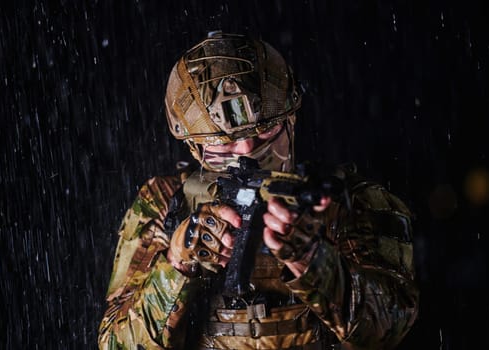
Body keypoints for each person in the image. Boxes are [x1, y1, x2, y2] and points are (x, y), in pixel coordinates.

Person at [98, 32, 419, 350]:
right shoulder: (165, 203)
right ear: (196, 148)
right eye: (224, 143)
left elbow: (388, 330)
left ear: (290, 119)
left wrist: (314, 263)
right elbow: (116, 344)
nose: (247, 150)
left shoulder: (351, 200)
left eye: (265, 130)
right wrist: (178, 264)